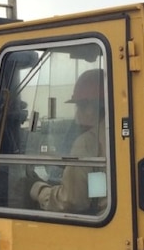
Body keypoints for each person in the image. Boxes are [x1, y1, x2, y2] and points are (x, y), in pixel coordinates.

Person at [29, 68, 107, 213]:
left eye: (80, 106)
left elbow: (72, 201)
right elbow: (99, 186)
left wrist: (40, 191)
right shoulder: (114, 137)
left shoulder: (86, 142)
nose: (77, 114)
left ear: (95, 107)